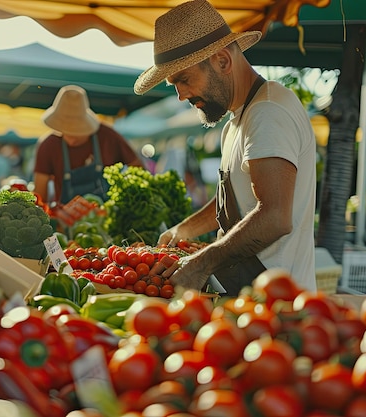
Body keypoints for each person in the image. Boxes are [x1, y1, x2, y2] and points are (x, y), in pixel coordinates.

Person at [134, 0, 317, 294]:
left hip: (278, 307)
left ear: (222, 61)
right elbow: (234, 199)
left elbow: (274, 217)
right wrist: (183, 230)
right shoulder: (238, 120)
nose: (181, 96)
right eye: (174, 85)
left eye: (183, 79)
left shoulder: (268, 112)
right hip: (248, 299)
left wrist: (201, 263)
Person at [33, 85, 143, 204]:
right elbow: (40, 197)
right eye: (65, 131)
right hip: (66, 219)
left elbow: (139, 169)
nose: (71, 138)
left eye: (76, 132)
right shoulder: (48, 146)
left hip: (108, 218)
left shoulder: (108, 136)